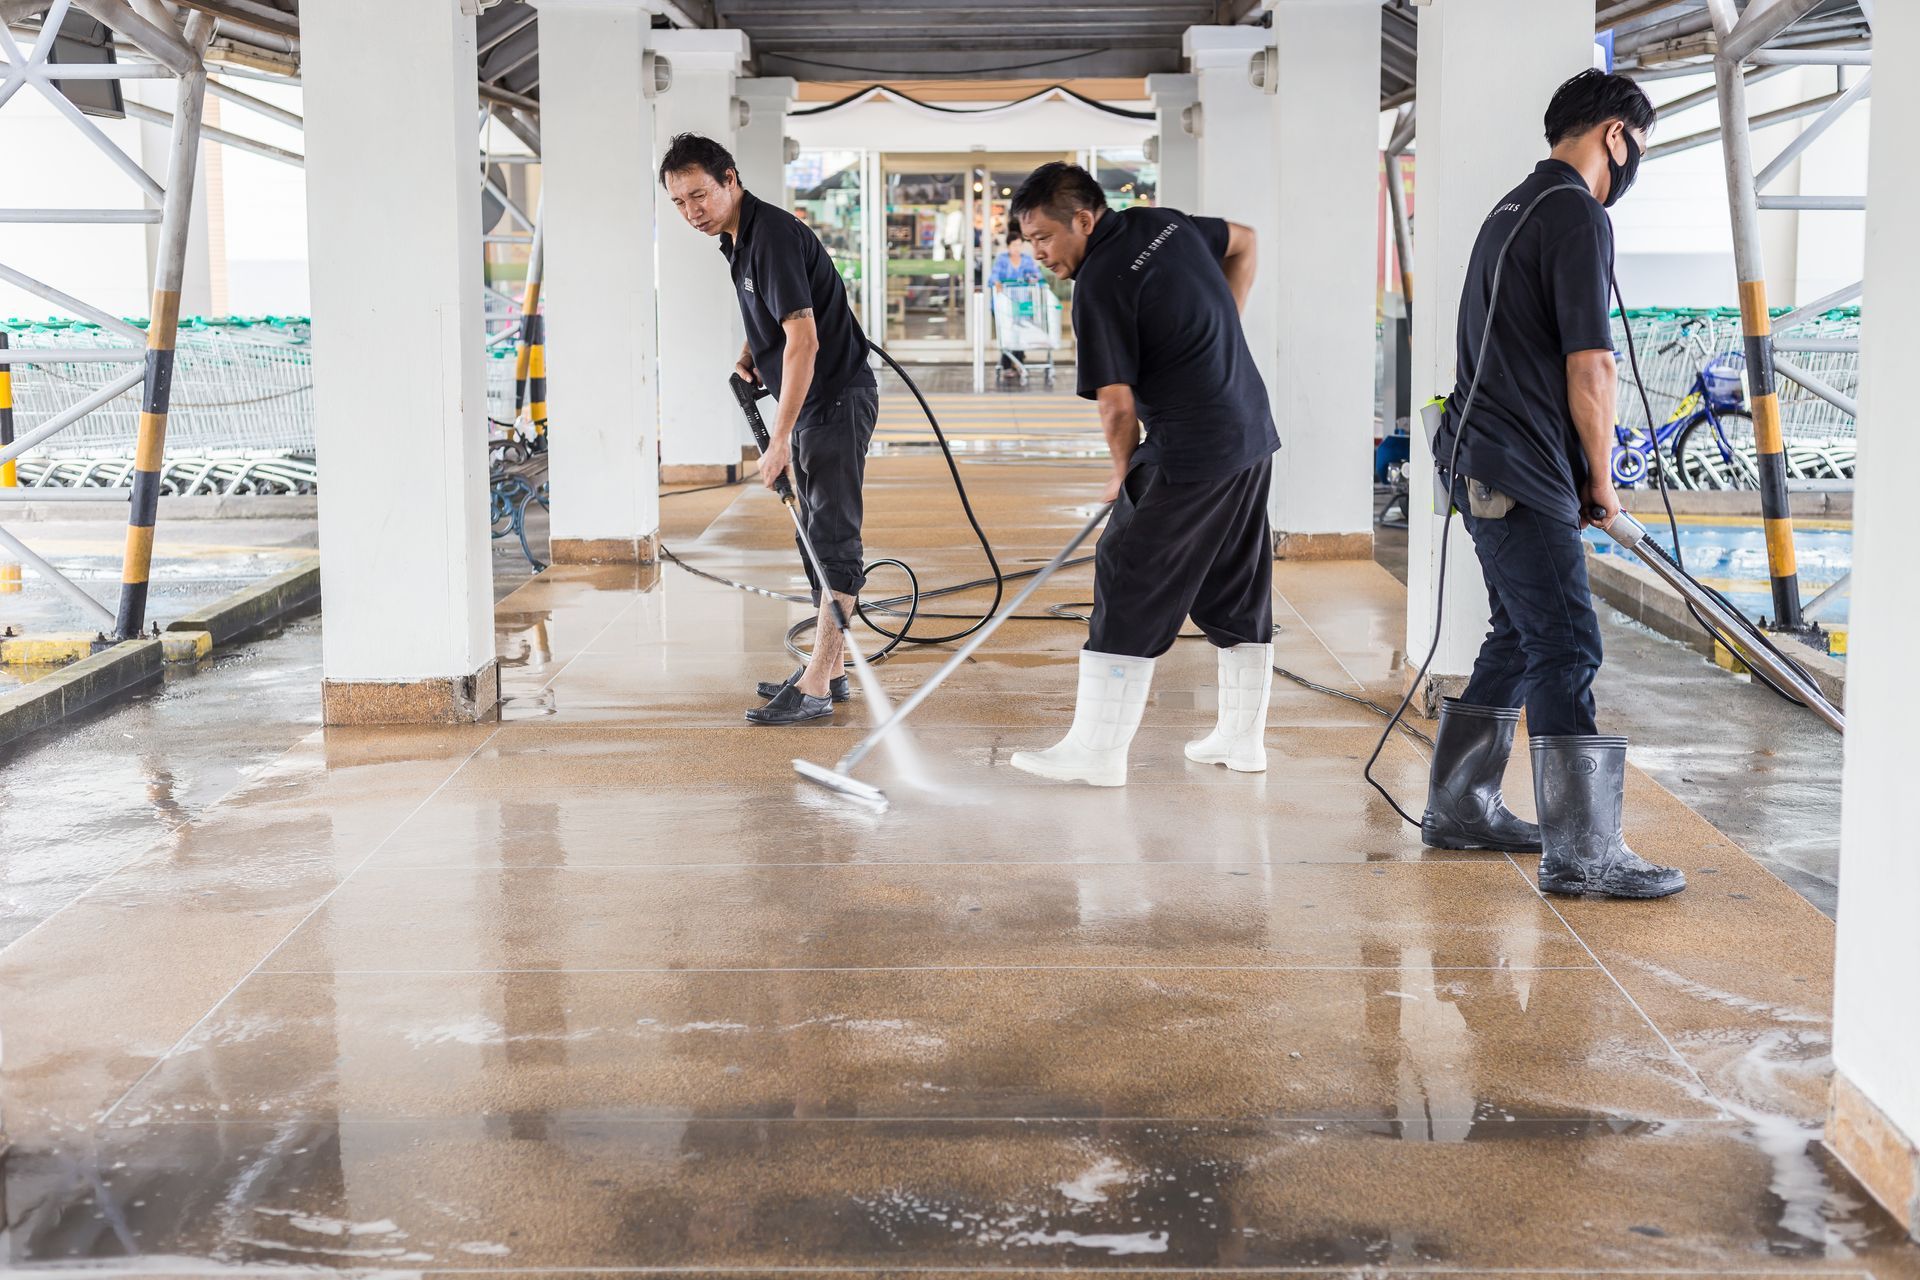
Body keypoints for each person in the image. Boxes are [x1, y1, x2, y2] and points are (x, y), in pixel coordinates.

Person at [1423, 69, 1683, 899]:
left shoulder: (1515, 206)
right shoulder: (1576, 211)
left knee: (1519, 634)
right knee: (1568, 643)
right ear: (1616, 135)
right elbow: (1592, 363)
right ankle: (1585, 853)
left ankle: (1461, 805)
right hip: (1517, 462)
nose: (1632, 164)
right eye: (1636, 147)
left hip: (1482, 455)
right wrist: (1600, 484)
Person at [1005, 162, 1278, 788]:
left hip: (1192, 445)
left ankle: (1096, 753)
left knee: (1126, 566)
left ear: (1083, 218)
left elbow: (1117, 404)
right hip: (1249, 429)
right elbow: (1245, 240)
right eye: (1029, 242)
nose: (1038, 254)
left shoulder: (1099, 283)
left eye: (1044, 238)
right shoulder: (1164, 223)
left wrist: (1122, 474)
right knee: (1233, 581)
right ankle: (1242, 740)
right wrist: (1223, 333)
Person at [659, 133, 878, 726]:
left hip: (831, 402)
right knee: (812, 542)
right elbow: (781, 319)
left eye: (699, 195)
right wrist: (754, 351)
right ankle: (826, 672)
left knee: (831, 541)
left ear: (730, 178)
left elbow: (805, 338)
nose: (691, 212)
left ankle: (815, 686)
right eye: (679, 203)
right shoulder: (739, 240)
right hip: (810, 403)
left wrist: (777, 439)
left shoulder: (772, 235)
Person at [990, 232, 1044, 374]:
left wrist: (1033, 279)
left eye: (1020, 245)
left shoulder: (1026, 259)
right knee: (1007, 334)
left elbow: (1037, 275)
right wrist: (997, 283)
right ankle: (1008, 365)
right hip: (1004, 304)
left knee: (1020, 333)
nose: (1017, 248)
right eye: (1014, 245)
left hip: (1022, 304)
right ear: (1008, 246)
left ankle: (1018, 362)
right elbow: (993, 276)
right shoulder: (1002, 259)